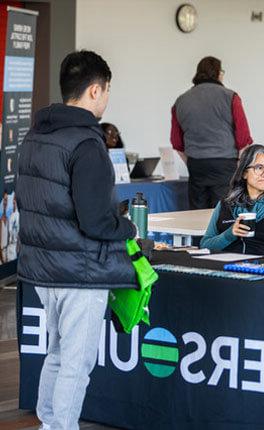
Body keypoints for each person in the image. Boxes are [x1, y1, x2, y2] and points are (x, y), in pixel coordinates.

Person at [16, 50, 137, 430]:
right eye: (107, 91)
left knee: (56, 353)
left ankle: (48, 424)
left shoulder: (36, 135)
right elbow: (96, 222)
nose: (107, 99)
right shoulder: (87, 143)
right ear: (95, 90)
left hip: (44, 270)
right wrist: (128, 228)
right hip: (80, 271)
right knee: (76, 363)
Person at [171, 56, 253, 209]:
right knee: (224, 215)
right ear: (218, 73)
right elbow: (243, 137)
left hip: (197, 165)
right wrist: (238, 165)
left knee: (197, 215)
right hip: (225, 164)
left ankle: (199, 235)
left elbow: (176, 141)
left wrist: (190, 162)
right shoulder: (231, 97)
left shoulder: (181, 101)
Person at [200, 144, 264, 257]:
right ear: (244, 172)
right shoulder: (226, 204)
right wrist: (229, 235)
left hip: (263, 271)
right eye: (259, 168)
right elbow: (205, 246)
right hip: (227, 270)